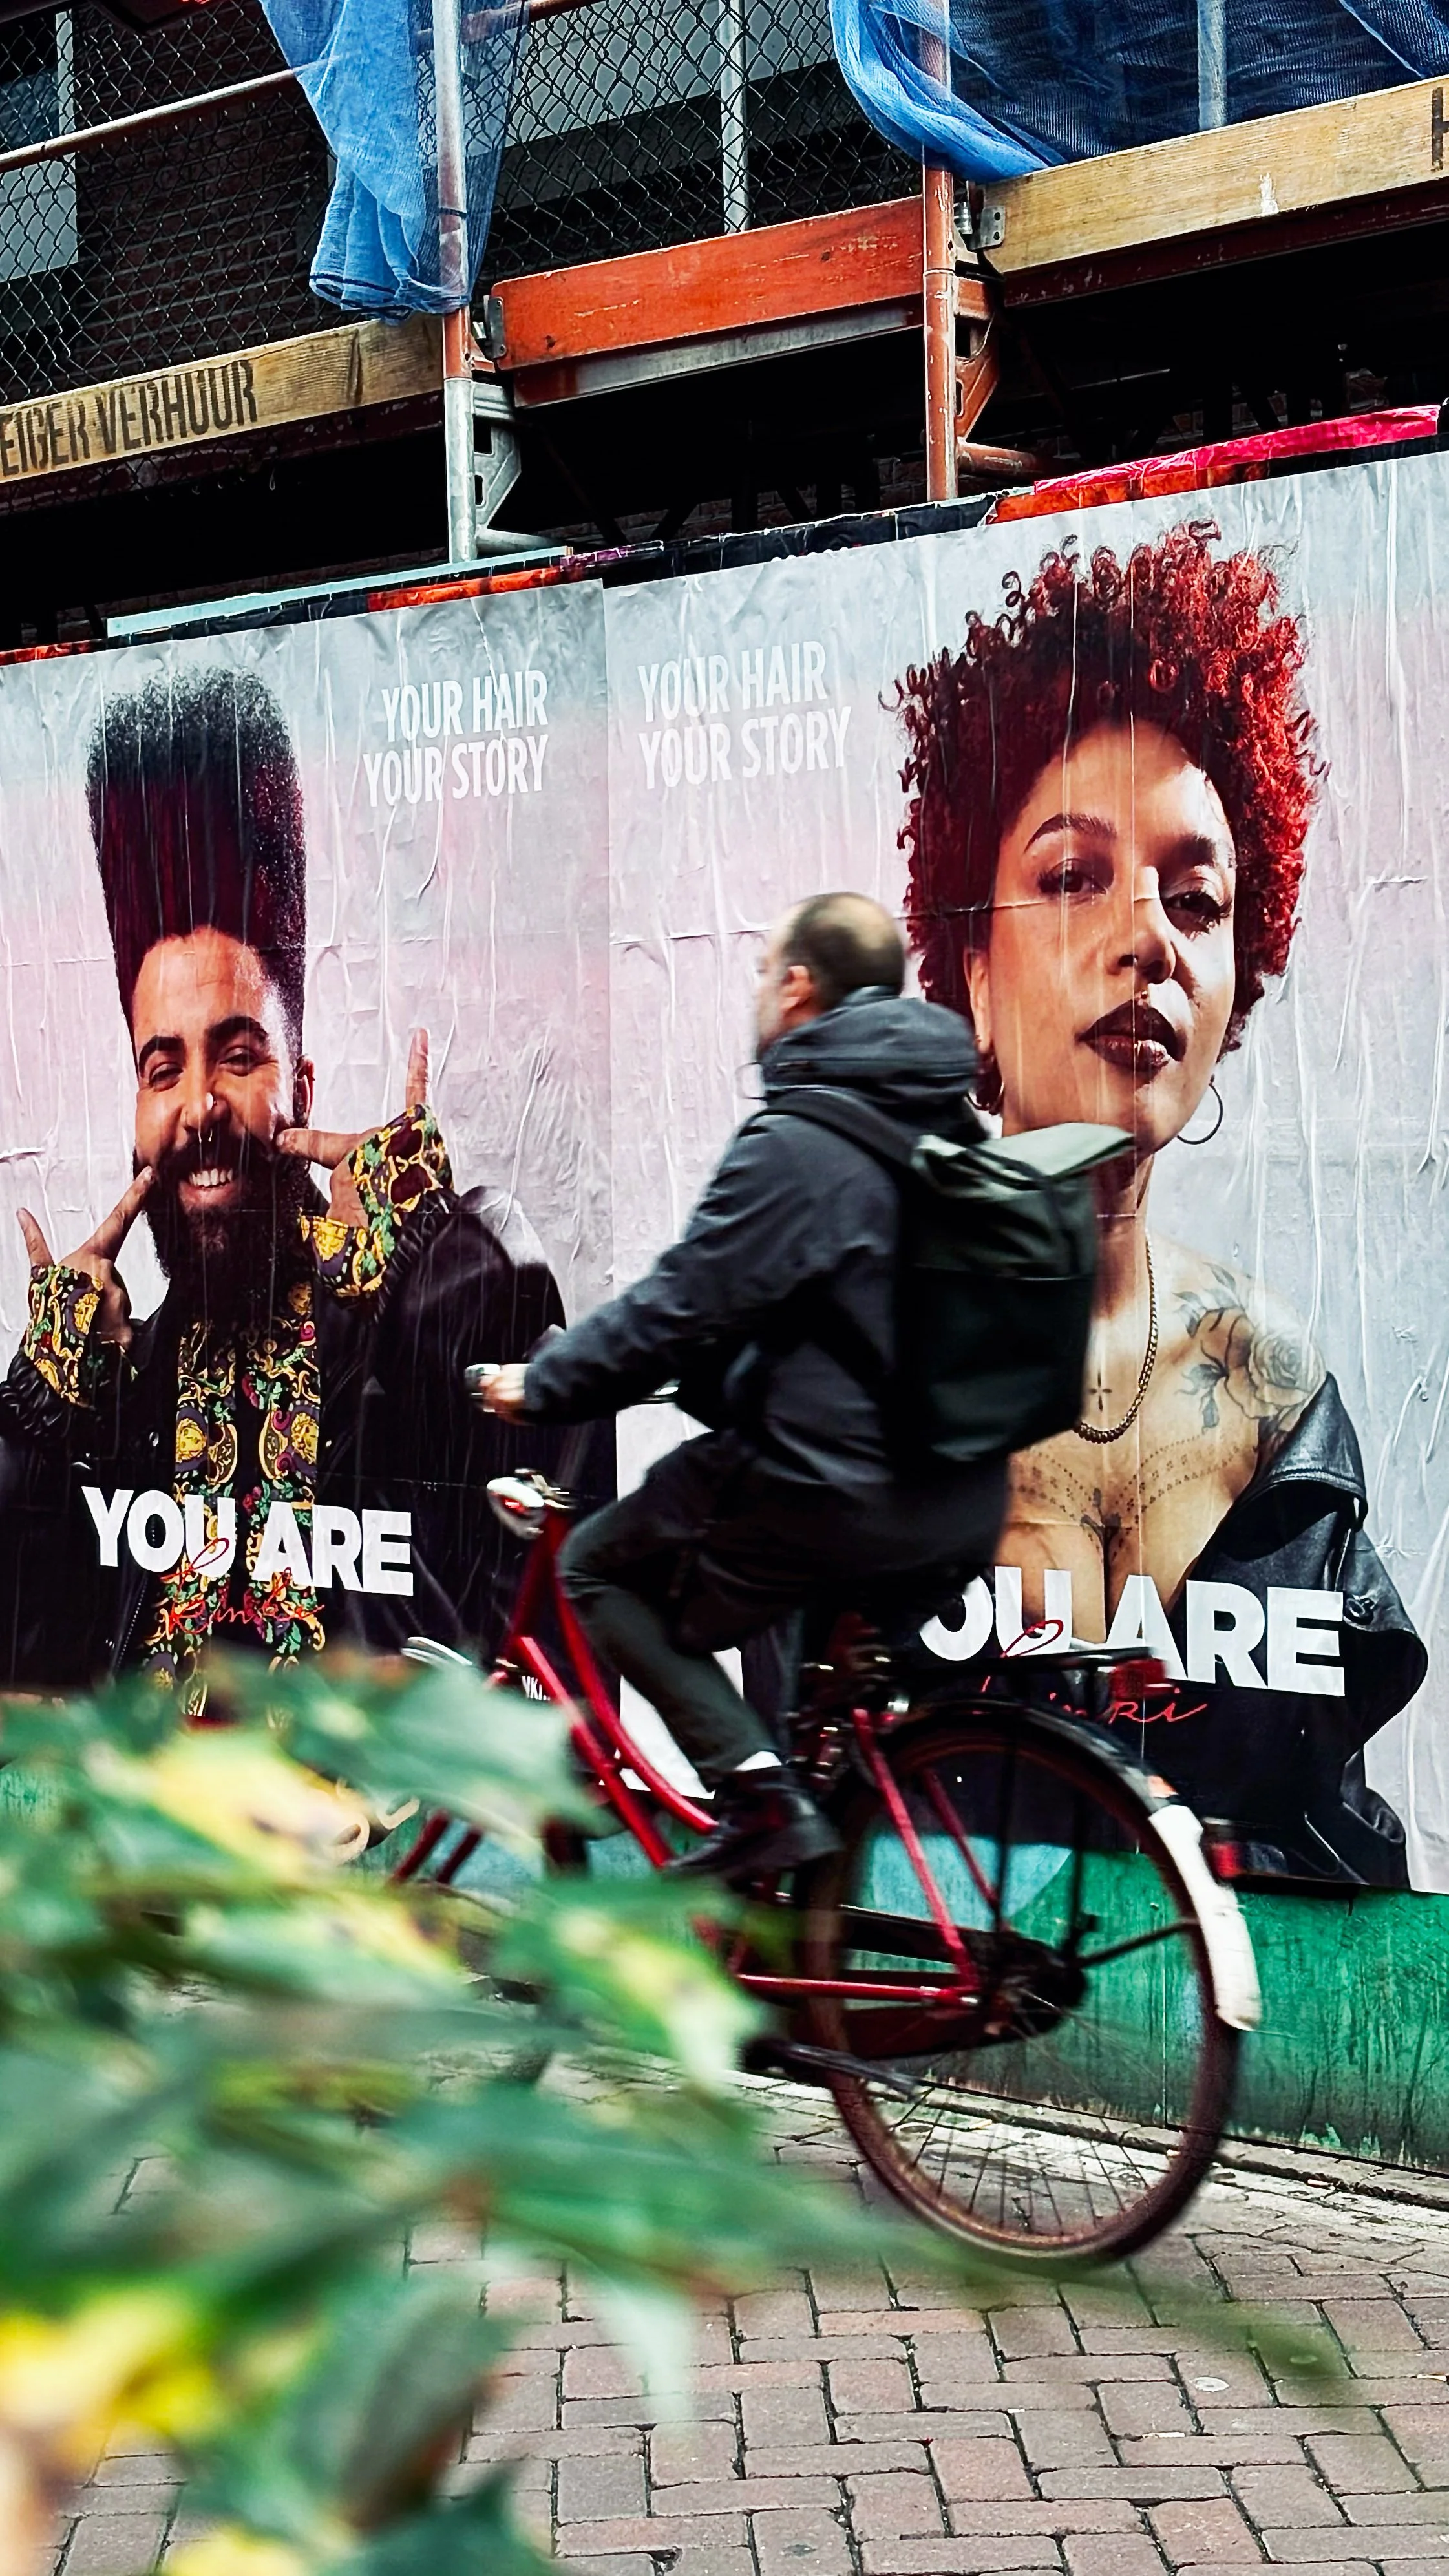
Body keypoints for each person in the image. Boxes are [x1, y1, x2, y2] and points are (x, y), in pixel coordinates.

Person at [896, 521, 1425, 1884]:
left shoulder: (1278, 1400)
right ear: (964, 968)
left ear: (1235, 989)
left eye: (1194, 899)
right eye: (1071, 876)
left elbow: (1330, 1832)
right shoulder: (871, 1356)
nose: (1144, 937)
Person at [0, 666, 563, 1694]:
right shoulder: (132, 1380)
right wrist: (38, 1419)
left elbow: (519, 1545)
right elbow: (35, 1661)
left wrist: (425, 1259)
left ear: (298, 1084)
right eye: (162, 1067)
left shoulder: (405, 1323)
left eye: (240, 1053)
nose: (201, 1104)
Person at [478, 891, 1008, 1884]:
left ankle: (754, 1800)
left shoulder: (797, 1137)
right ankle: (793, 1998)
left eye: (766, 972)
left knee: (596, 1568)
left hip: (828, 1492)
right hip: (959, 1506)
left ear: (799, 986)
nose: (760, 995)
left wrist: (541, 1386)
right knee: (823, 1743)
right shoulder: (951, 1135)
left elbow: (677, 1307)